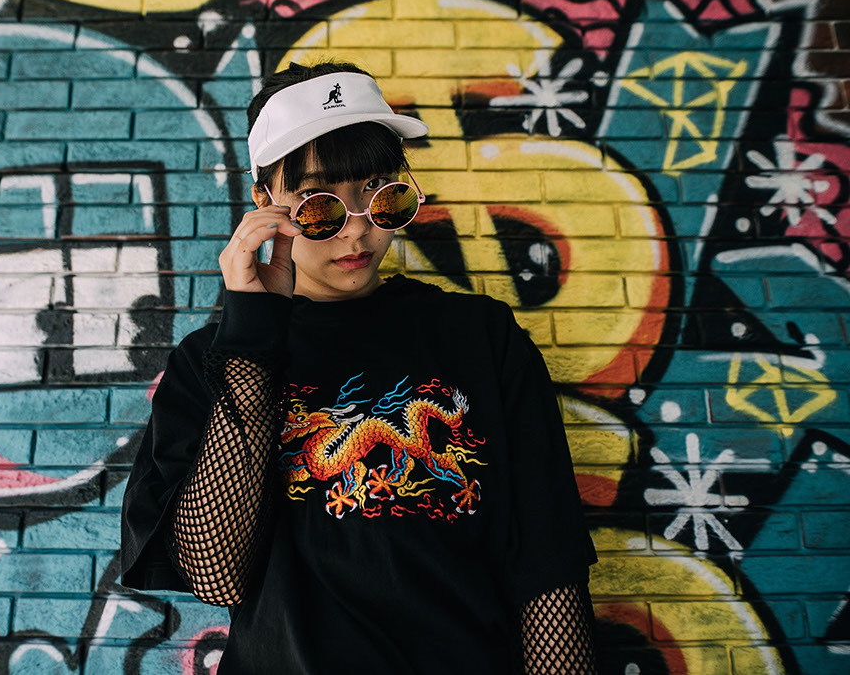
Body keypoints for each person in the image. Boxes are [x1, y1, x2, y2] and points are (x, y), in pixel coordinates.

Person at [120, 61, 599, 673]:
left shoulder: (480, 336)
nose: (358, 233)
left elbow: (546, 564)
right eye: (320, 206)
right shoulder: (209, 362)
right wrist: (252, 333)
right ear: (265, 203)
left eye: (381, 195)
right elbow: (216, 573)